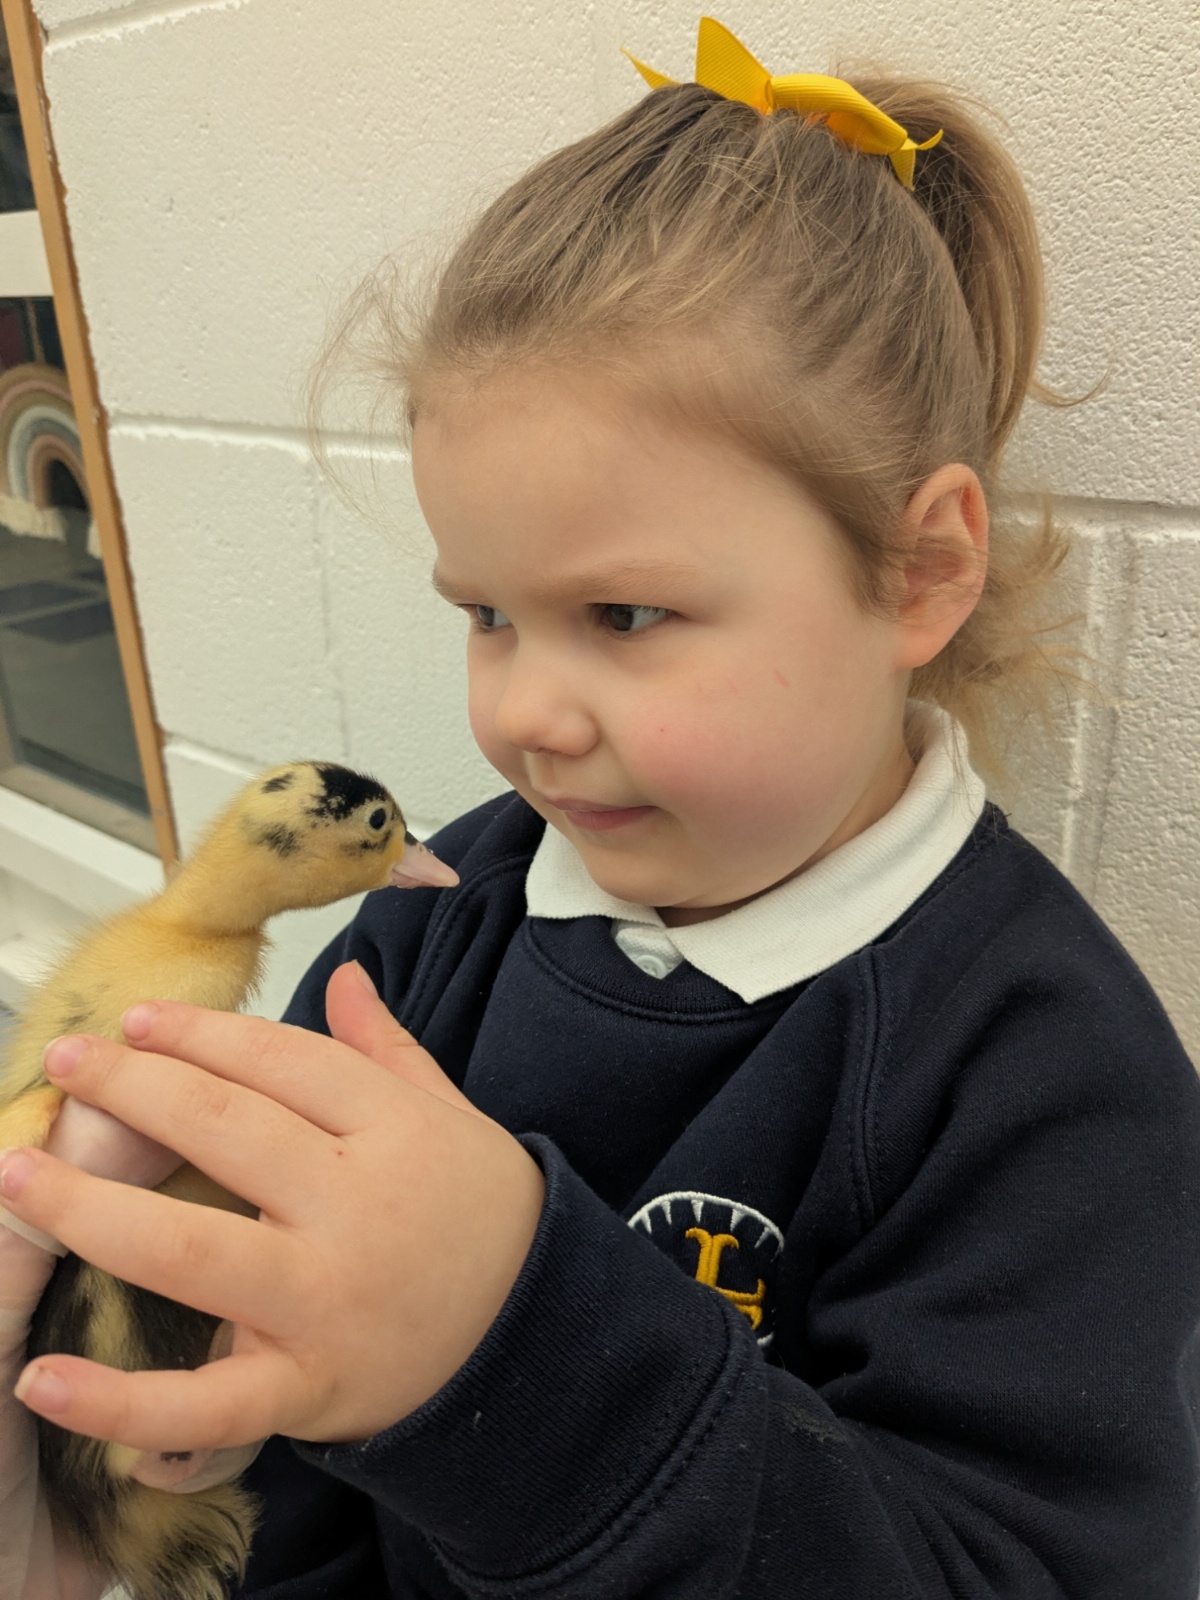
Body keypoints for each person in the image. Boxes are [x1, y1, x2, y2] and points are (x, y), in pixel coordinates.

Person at [2, 16, 1199, 1598]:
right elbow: (295, 1482)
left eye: (624, 617)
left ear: (920, 574)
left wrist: (506, 1358)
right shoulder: (433, 939)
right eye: (487, 614)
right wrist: (141, 1464)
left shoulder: (1045, 1077)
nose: (520, 716)